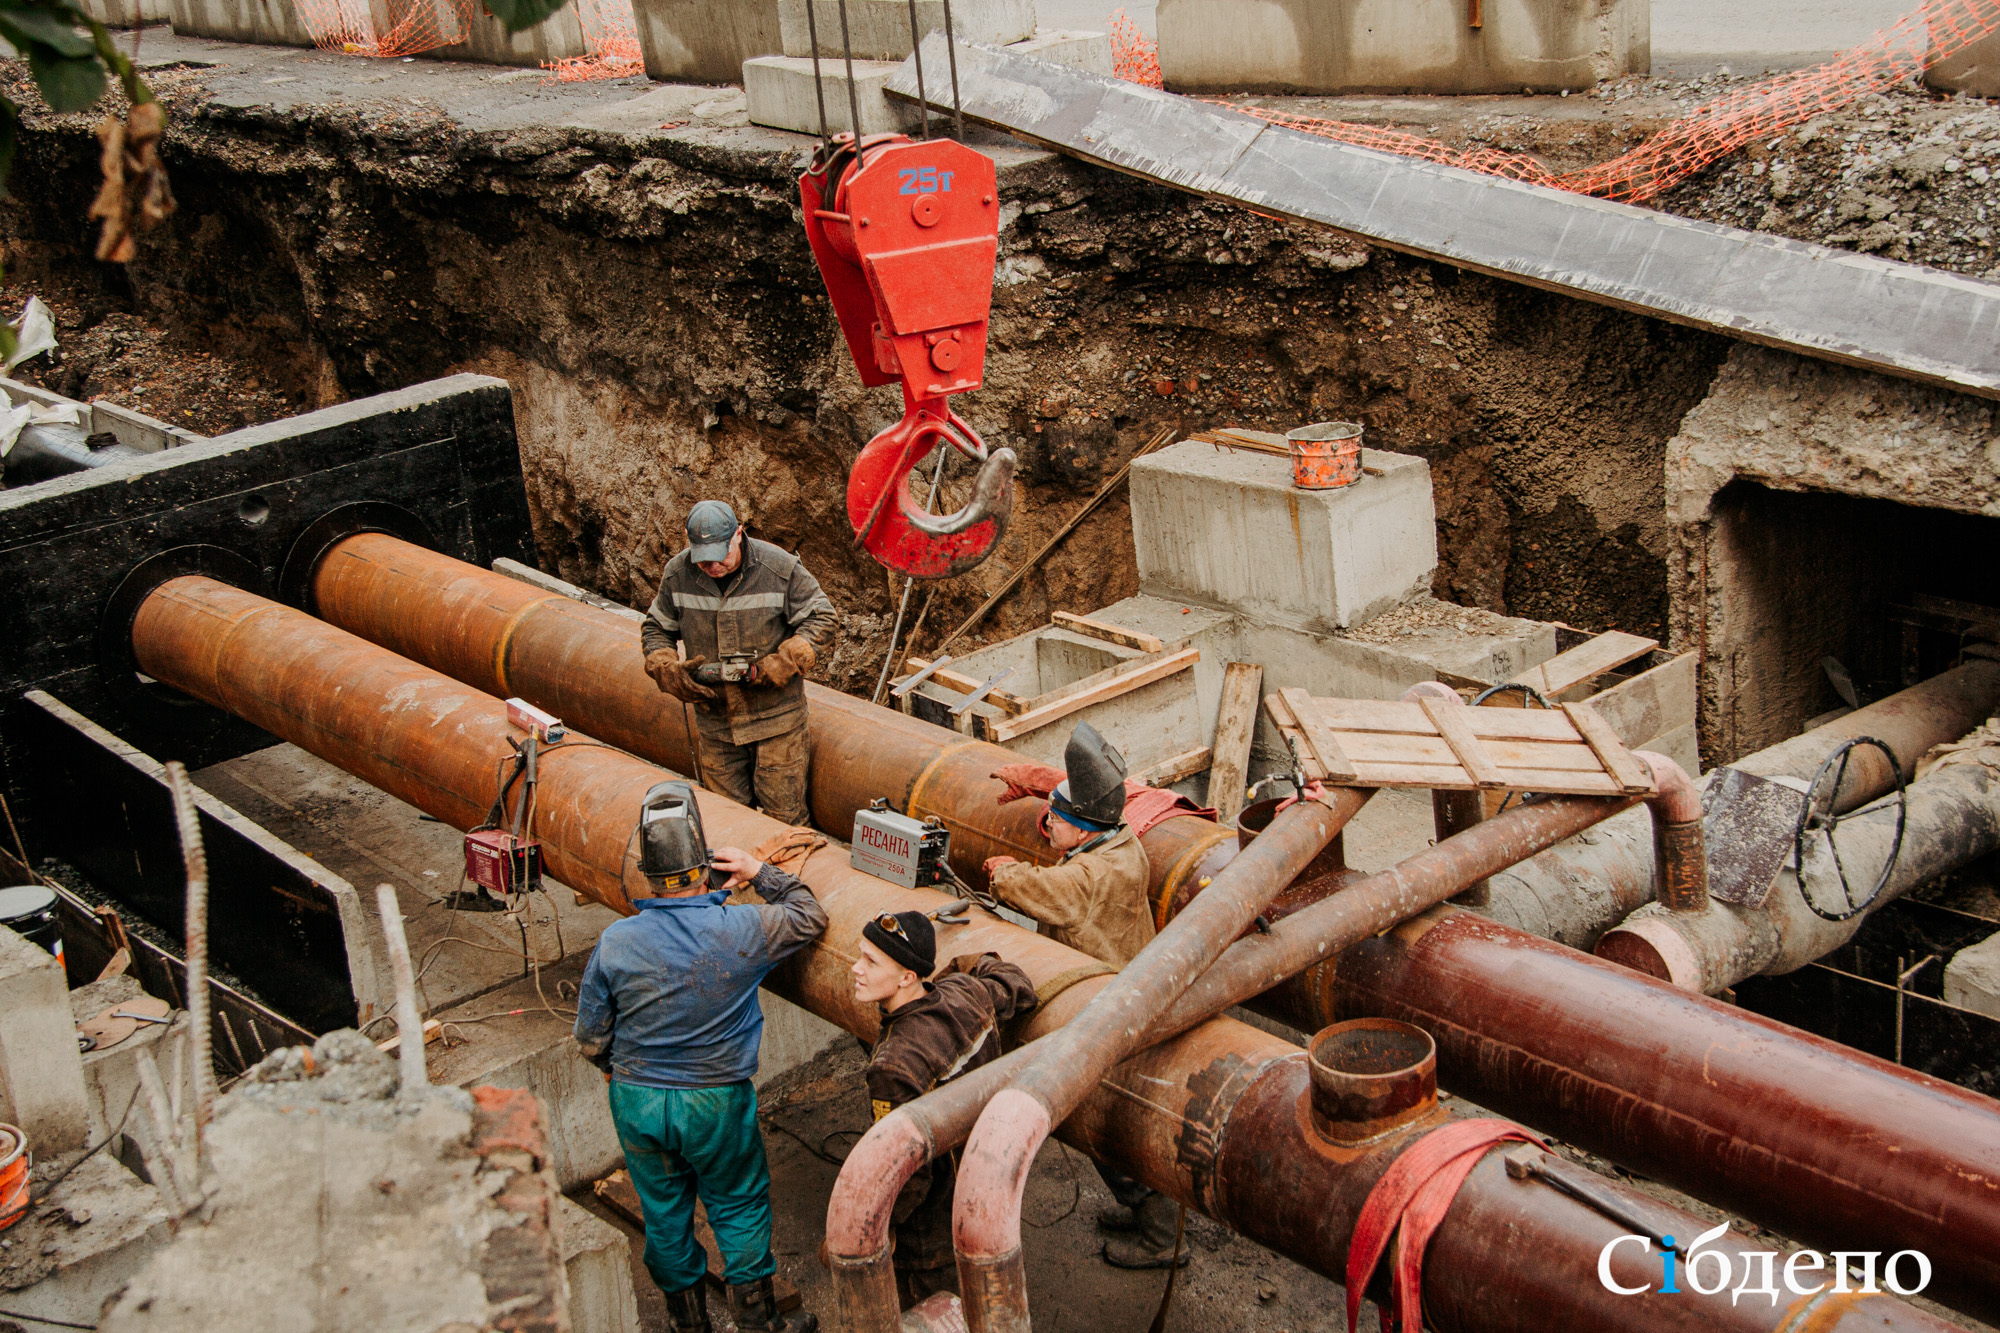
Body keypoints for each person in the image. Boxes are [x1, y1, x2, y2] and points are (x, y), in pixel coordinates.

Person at [574, 835, 827, 1333]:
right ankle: (759, 1323)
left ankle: (686, 1325)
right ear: (704, 870)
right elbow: (809, 914)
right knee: (737, 1203)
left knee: (664, 1211)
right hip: (714, 1101)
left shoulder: (617, 940)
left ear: (648, 876)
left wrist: (614, 1069)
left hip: (637, 1097)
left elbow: (589, 1034)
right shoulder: (741, 928)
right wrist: (758, 872)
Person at [977, 721, 1185, 1271]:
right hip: (1128, 983)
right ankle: (1142, 1211)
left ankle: (1161, 1233)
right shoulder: (1122, 841)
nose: (1048, 823)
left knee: (1107, 1126)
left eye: (1057, 817)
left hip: (1105, 1005)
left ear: (1085, 829)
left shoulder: (1089, 876)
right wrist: (1043, 786)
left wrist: (1005, 874)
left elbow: (1045, 891)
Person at [850, 910, 1038, 1309]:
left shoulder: (892, 1067)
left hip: (930, 1238)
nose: (856, 969)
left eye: (871, 961)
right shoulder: (965, 994)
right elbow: (1016, 983)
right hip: (984, 1195)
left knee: (933, 1313)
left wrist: (862, 1233)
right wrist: (969, 965)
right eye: (859, 955)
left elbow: (903, 1179)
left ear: (907, 978)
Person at [641, 500, 838, 829]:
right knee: (726, 822)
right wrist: (665, 667)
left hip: (776, 721)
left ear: (738, 535)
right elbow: (656, 628)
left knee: (784, 823)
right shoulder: (678, 573)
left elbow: (822, 618)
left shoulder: (779, 568)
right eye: (703, 558)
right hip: (715, 722)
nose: (712, 565)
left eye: (721, 554)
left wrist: (785, 662)